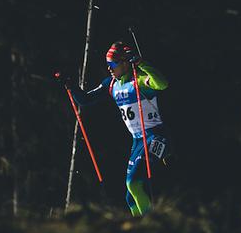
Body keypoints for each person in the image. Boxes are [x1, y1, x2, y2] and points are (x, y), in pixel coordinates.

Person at [62, 41, 170, 216]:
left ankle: (150, 224)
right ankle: (136, 230)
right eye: (107, 65)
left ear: (125, 63)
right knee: (130, 197)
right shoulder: (111, 84)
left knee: (134, 184)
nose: (110, 69)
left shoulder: (139, 79)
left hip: (154, 136)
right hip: (137, 140)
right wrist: (70, 85)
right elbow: (85, 100)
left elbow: (162, 84)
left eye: (113, 64)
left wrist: (142, 64)